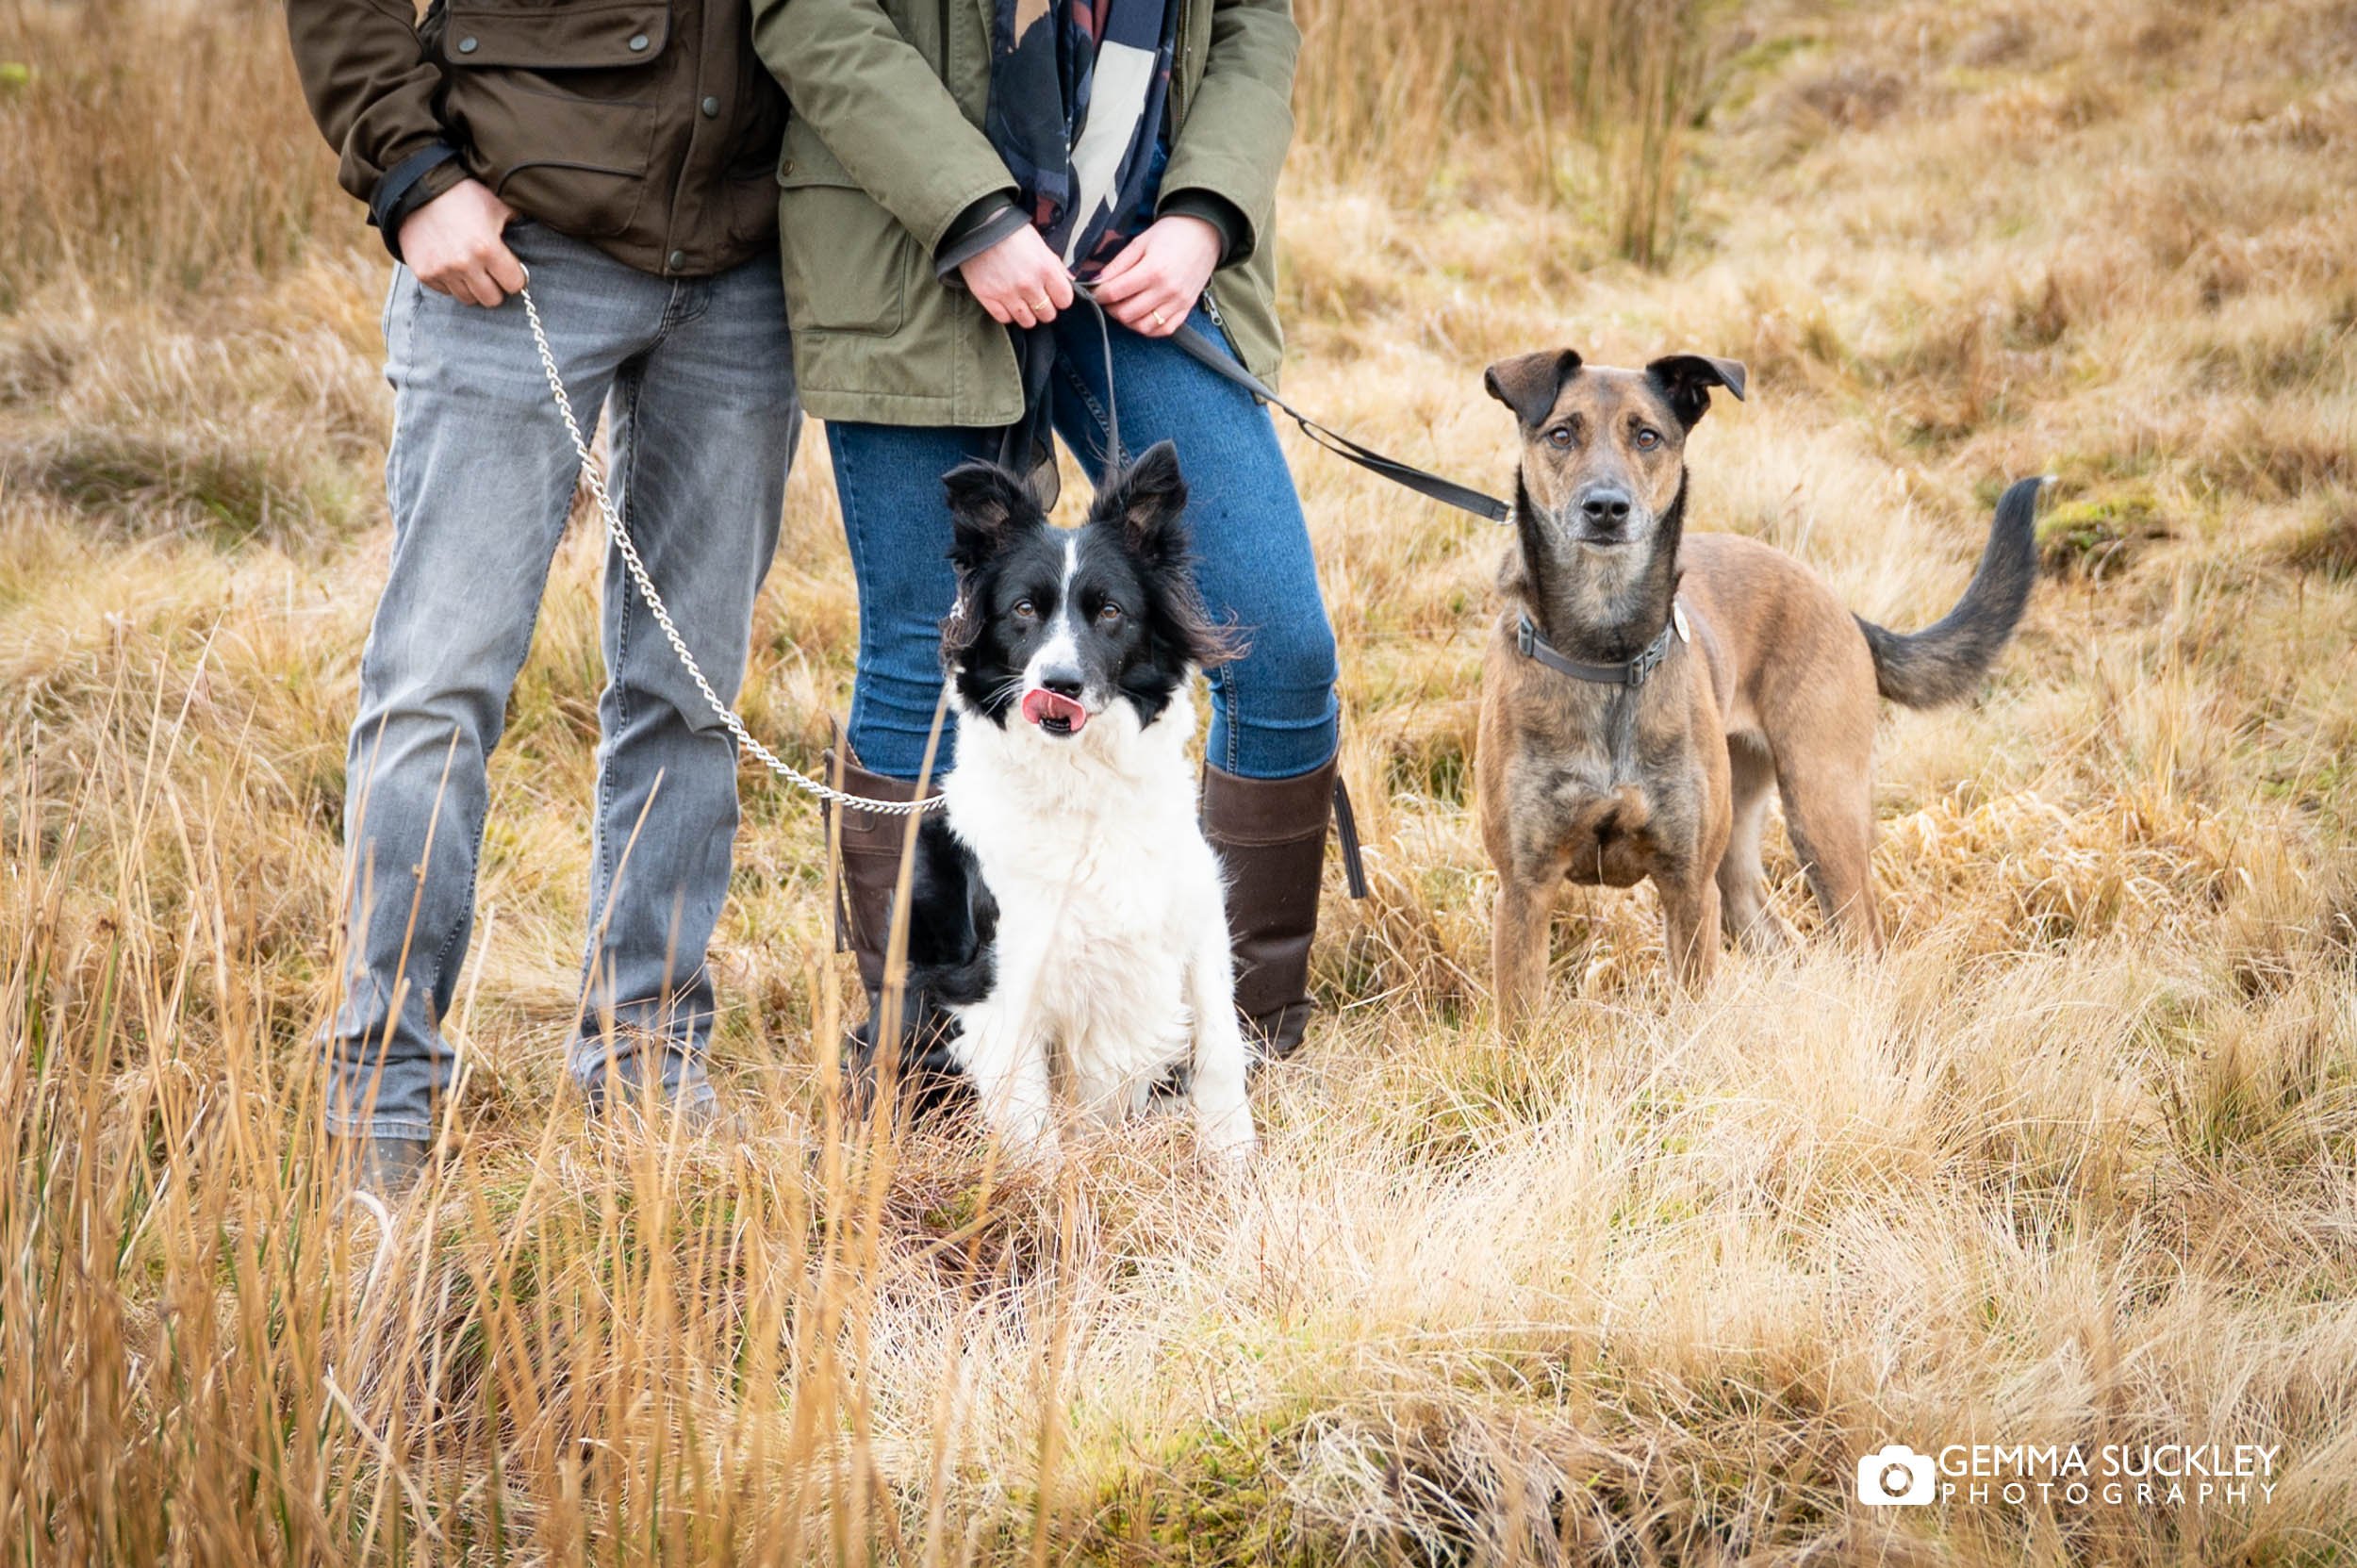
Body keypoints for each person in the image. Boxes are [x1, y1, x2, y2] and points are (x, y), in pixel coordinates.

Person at [752, 0, 1347, 1064]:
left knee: (1284, 646)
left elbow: (1255, 18)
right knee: (918, 651)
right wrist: (971, 213)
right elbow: (811, 13)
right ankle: (924, 1057)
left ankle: (1231, 1052)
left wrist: (1204, 213)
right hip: (912, 252)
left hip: (1148, 258)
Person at [286, 0, 801, 1192]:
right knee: (437, 688)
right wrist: (412, 173)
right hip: (512, 243)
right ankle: (381, 1095)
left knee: (691, 696)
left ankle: (647, 1073)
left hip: (748, 268)